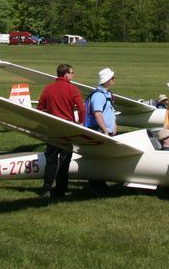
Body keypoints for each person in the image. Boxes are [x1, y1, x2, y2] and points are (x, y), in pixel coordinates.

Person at [36, 63, 85, 199]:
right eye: (72, 73)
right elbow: (82, 108)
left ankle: (46, 188)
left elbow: (40, 108)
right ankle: (61, 189)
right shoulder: (72, 89)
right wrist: (80, 123)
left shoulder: (48, 88)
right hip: (67, 129)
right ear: (66, 74)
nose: (73, 75)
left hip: (52, 128)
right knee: (65, 160)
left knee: (51, 160)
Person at [87, 68, 116, 136]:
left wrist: (114, 126)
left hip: (107, 131)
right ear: (107, 80)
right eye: (112, 78)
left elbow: (110, 111)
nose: (114, 79)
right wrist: (105, 130)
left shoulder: (108, 94)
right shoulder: (98, 95)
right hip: (101, 132)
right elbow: (98, 114)